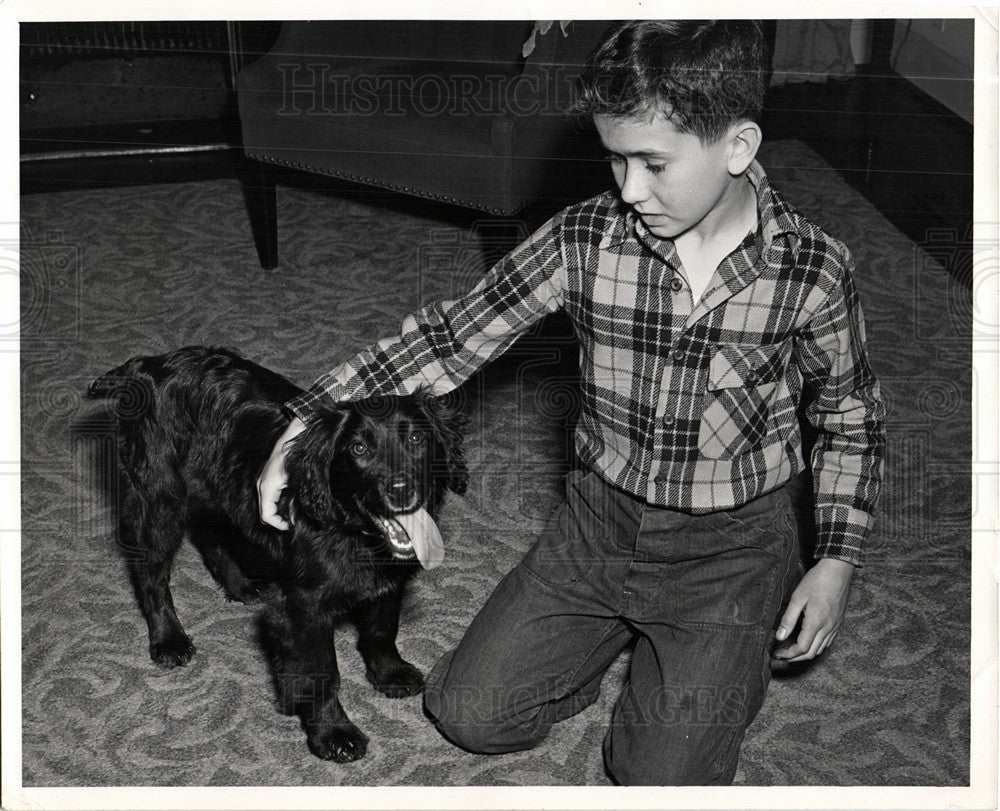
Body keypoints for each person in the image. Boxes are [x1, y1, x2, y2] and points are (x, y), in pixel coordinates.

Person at [256, 20, 886, 785]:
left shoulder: (813, 270)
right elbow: (451, 339)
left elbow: (850, 418)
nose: (627, 188)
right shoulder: (584, 238)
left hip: (733, 548)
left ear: (738, 147)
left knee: (657, 774)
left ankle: (704, 655)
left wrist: (836, 562)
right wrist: (302, 422)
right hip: (598, 524)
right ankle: (597, 646)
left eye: (652, 162)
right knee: (468, 712)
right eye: (615, 158)